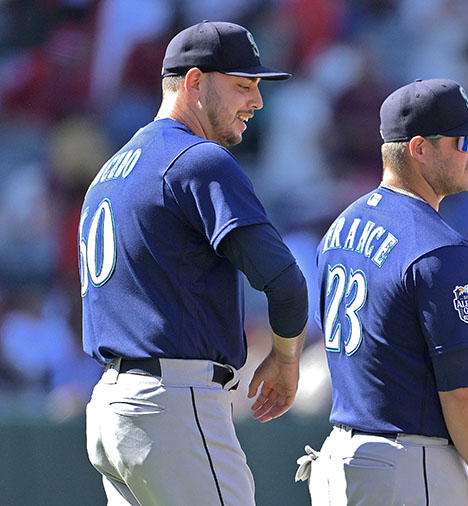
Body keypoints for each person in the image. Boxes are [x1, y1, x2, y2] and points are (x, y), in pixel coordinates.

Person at [79, 21, 309, 505]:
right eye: (243, 85)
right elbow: (286, 283)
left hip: (111, 408)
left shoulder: (110, 170)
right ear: (195, 82)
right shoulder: (197, 159)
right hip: (172, 406)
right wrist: (287, 359)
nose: (257, 101)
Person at [306, 78, 468, 506]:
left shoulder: (340, 227)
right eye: (464, 140)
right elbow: (466, 391)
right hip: (406, 467)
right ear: (419, 148)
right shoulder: (440, 248)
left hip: (338, 460)